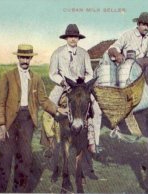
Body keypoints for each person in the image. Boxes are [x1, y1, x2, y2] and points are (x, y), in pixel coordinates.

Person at [0, 44, 67, 192]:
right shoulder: (7, 76)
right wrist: (1, 124)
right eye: (22, 57)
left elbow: (44, 100)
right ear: (18, 57)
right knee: (5, 158)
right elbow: (0, 103)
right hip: (9, 122)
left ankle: (19, 191)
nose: (25, 60)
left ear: (31, 58)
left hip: (27, 121)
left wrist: (58, 109)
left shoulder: (36, 78)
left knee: (25, 159)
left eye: (27, 57)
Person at [44, 24, 101, 178]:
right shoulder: (58, 53)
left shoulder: (84, 54)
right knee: (48, 110)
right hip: (63, 86)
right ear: (66, 38)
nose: (73, 39)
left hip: (81, 88)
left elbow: (89, 72)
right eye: (70, 36)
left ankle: (93, 142)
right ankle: (49, 143)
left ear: (78, 38)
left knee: (96, 109)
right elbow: (52, 73)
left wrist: (84, 84)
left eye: (75, 36)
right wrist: (63, 82)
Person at [107, 12, 148, 104]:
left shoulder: (147, 40)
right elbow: (112, 48)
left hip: (142, 67)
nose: (146, 28)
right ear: (138, 24)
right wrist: (117, 54)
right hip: (129, 65)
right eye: (144, 25)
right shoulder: (128, 35)